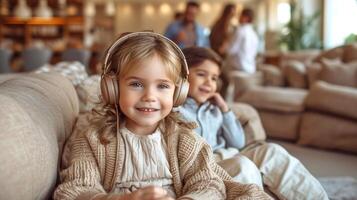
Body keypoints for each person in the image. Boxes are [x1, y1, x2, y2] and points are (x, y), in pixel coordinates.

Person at [53, 32, 271, 200]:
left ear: (178, 93)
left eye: (162, 86)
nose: (150, 96)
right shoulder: (92, 139)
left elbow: (209, 184)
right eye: (136, 84)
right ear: (112, 88)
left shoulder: (185, 139)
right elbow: (75, 190)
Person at [179, 46, 329, 200]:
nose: (208, 83)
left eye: (214, 78)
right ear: (183, 75)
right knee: (243, 166)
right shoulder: (176, 111)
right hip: (206, 166)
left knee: (272, 151)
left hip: (230, 154)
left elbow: (237, 142)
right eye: (201, 74)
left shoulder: (215, 110)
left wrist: (225, 110)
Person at [223, 8, 259, 74]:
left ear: (246, 18)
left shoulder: (240, 31)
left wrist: (225, 45)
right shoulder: (254, 34)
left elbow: (231, 50)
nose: (238, 17)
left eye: (240, 15)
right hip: (251, 69)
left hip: (239, 68)